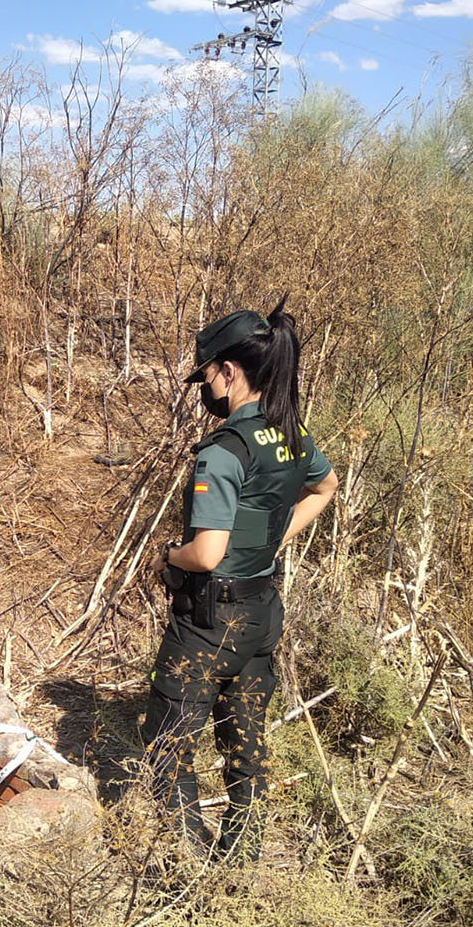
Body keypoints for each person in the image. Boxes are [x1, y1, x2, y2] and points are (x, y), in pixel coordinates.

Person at [141, 300, 339, 863]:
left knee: (167, 744)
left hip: (210, 623)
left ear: (228, 371)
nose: (204, 387)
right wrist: (273, 539)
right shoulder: (291, 435)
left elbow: (205, 554)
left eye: (205, 375)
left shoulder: (225, 450)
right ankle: (239, 863)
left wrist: (168, 555)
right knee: (245, 744)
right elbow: (325, 488)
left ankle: (184, 873)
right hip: (261, 615)